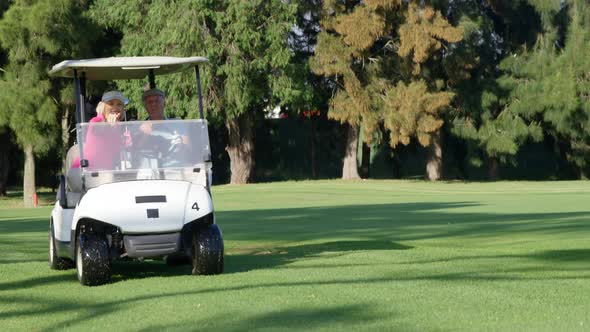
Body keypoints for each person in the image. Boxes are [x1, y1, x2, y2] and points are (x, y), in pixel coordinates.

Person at [70, 90, 129, 170]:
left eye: (119, 104)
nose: (115, 107)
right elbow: (98, 131)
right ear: (103, 107)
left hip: (106, 171)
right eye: (111, 104)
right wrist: (109, 127)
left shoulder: (119, 127)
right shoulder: (96, 121)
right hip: (86, 170)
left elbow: (116, 151)